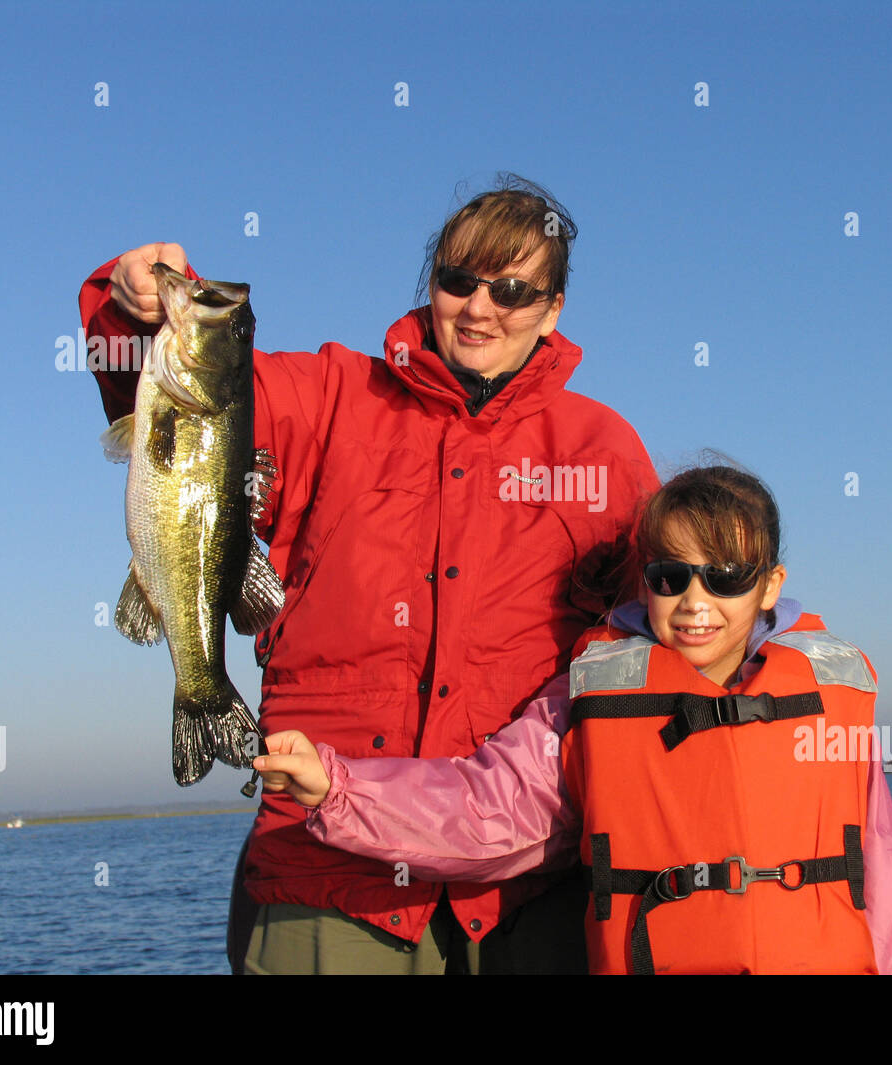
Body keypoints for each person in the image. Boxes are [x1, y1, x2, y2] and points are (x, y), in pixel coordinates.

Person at [79, 176, 659, 974]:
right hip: (326, 872)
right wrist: (133, 309)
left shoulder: (603, 450)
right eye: (458, 280)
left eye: (513, 289)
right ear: (431, 285)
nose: (480, 307)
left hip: (530, 894)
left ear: (553, 308)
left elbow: (668, 633)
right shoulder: (332, 395)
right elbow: (201, 402)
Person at [254, 465, 892, 974]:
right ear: (647, 580)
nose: (695, 599)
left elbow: (890, 880)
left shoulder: (833, 690)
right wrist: (339, 790)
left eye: (726, 575)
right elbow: (488, 811)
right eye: (671, 576)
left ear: (770, 583)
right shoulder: (589, 695)